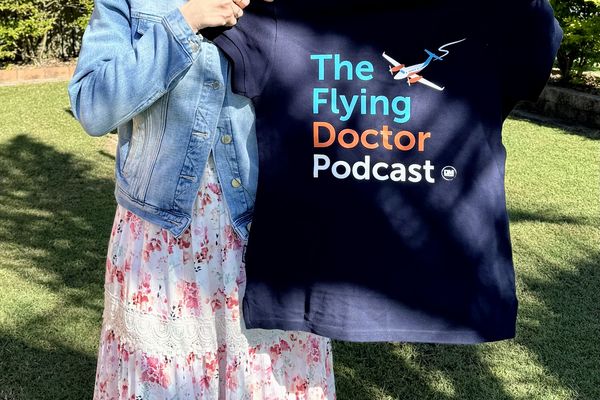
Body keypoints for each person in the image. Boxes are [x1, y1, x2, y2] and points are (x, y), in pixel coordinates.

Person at [67, 0, 337, 398]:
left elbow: (330, 87)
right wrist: (185, 22)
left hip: (267, 229)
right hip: (160, 238)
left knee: (266, 378)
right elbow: (92, 106)